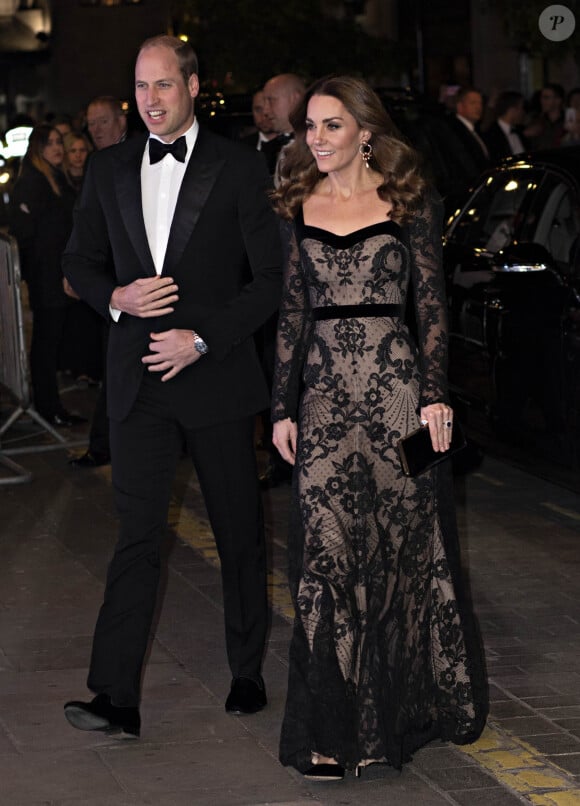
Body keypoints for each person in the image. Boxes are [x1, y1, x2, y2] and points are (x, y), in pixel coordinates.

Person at [61, 34, 282, 739]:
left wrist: (203, 337)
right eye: (140, 88)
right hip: (139, 382)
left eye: (162, 86)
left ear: (191, 85)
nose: (150, 100)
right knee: (136, 536)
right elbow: (80, 261)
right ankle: (115, 696)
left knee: (239, 532)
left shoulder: (241, 168)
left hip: (214, 377)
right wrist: (117, 296)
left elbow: (270, 280)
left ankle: (246, 670)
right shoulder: (108, 168)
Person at [270, 76, 487, 780]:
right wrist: (280, 406)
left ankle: (395, 717)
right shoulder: (297, 201)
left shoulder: (407, 199)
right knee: (327, 561)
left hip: (397, 398)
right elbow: (294, 314)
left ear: (365, 131)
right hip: (326, 402)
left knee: (401, 552)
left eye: (332, 126)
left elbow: (430, 306)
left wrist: (434, 397)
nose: (317, 139)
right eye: (310, 126)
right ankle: (329, 732)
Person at [9, 124, 84, 427]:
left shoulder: (54, 177)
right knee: (46, 343)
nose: (56, 147)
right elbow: (27, 233)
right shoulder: (35, 181)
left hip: (54, 273)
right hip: (47, 276)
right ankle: (48, 406)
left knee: (49, 341)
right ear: (36, 148)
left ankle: (49, 405)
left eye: (58, 142)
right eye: (48, 143)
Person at [240, 89, 278, 173]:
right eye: (258, 109)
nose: (264, 115)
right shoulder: (241, 148)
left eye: (269, 109)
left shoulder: (293, 145)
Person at [483, 90, 526, 161]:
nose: (523, 112)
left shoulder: (519, 131)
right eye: (521, 108)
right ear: (512, 110)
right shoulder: (491, 135)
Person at [524, 83, 565, 150]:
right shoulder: (535, 120)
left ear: (558, 100)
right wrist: (525, 135)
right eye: (541, 97)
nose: (542, 101)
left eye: (546, 97)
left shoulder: (569, 121)